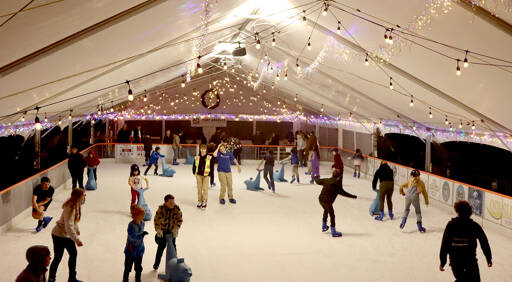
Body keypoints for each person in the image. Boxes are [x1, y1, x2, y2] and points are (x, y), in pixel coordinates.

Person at [439, 200, 492, 282]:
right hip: (470, 262)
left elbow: (444, 245)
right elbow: (484, 242)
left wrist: (443, 262)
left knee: (462, 279)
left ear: (457, 212)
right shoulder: (474, 226)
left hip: (455, 262)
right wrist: (488, 258)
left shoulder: (451, 225)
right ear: (469, 213)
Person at [48, 189, 85, 282]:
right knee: (58, 257)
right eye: (83, 195)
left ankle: (72, 278)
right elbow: (68, 226)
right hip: (59, 235)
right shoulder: (70, 207)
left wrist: (77, 229)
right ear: (78, 196)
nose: (84, 197)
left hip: (65, 235)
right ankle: (51, 279)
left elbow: (73, 222)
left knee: (73, 254)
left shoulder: (75, 204)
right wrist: (77, 240)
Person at [314, 169, 357, 237]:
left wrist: (315, 177)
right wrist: (353, 196)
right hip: (327, 201)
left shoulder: (326, 180)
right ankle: (333, 231)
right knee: (332, 215)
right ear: (339, 177)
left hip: (321, 199)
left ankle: (324, 225)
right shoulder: (337, 184)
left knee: (326, 210)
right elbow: (343, 193)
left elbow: (317, 181)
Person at [153, 194, 183, 271]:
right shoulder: (161, 209)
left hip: (172, 233)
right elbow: (156, 220)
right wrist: (158, 230)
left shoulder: (176, 208)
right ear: (165, 202)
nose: (173, 204)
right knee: (160, 248)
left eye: (173, 202)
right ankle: (156, 264)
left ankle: (175, 264)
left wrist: (176, 229)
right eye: (170, 202)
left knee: (173, 248)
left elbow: (180, 219)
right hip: (163, 233)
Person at [123, 205, 149, 282]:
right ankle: (125, 279)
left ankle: (138, 279)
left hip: (139, 249)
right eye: (142, 215)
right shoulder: (131, 225)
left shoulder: (143, 223)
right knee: (128, 266)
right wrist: (141, 235)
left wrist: (141, 236)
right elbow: (132, 236)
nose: (143, 217)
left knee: (138, 267)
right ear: (136, 216)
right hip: (131, 249)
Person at [192, 144, 212, 208]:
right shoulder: (197, 157)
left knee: (205, 189)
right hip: (198, 175)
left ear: (206, 150)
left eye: (204, 149)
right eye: (202, 149)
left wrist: (210, 175)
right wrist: (194, 173)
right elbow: (194, 166)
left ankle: (204, 201)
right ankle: (199, 201)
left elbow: (211, 167)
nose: (203, 150)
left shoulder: (209, 157)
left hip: (206, 175)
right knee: (199, 189)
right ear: (200, 149)